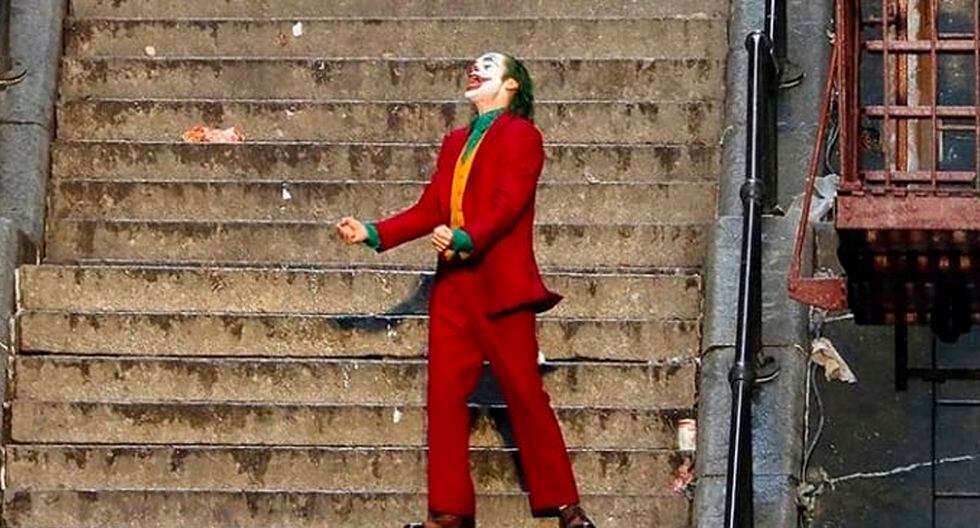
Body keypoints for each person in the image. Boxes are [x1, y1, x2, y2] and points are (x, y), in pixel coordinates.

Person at [337, 52, 596, 528]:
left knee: (524, 390)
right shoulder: (456, 141)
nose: (476, 71)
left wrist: (465, 237)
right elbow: (431, 206)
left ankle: (566, 504)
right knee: (444, 396)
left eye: (489, 66)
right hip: (455, 286)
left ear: (512, 84)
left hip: (501, 283)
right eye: (475, 66)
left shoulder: (522, 135)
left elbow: (508, 204)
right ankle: (450, 510)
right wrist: (373, 232)